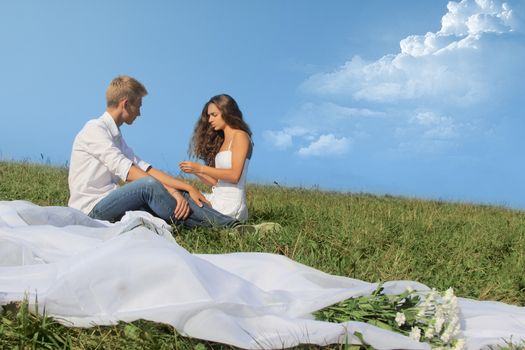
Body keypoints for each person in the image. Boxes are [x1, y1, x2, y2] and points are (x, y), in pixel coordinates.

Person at [68, 75, 238, 228]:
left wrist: (186, 187)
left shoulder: (117, 137)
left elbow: (146, 169)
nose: (140, 113)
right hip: (90, 210)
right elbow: (128, 171)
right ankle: (226, 227)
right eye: (138, 106)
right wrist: (169, 190)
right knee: (150, 186)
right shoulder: (95, 129)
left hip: (110, 202)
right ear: (126, 104)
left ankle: (231, 225)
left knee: (173, 190)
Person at [179, 94, 252, 221]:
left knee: (183, 199)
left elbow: (234, 176)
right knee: (179, 193)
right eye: (209, 116)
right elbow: (217, 183)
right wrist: (195, 171)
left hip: (231, 206)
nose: (209, 120)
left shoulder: (240, 136)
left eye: (214, 115)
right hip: (218, 198)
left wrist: (201, 168)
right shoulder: (224, 141)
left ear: (227, 112)